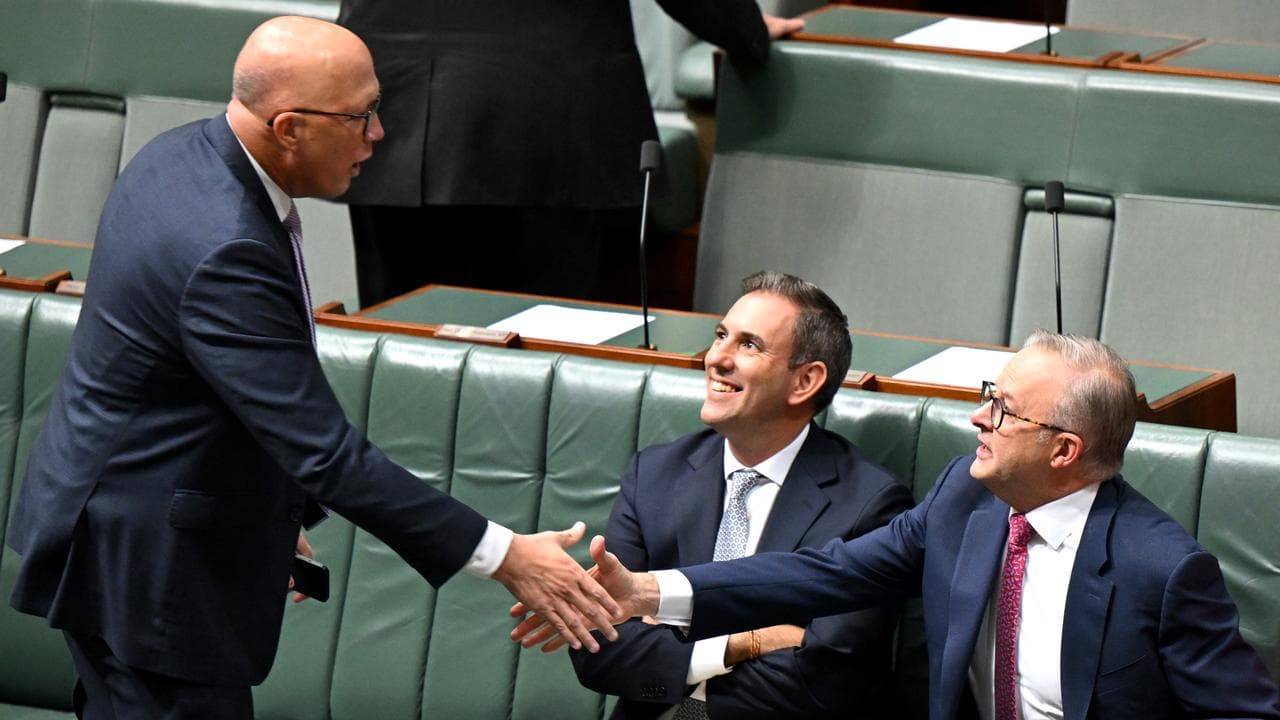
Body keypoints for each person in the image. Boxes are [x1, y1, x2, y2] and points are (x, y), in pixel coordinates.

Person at [6, 16, 618, 717]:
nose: (379, 135)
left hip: (115, 534)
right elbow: (327, 453)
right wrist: (506, 555)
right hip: (153, 578)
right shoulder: (224, 247)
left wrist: (270, 506)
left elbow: (198, 387)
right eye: (360, 117)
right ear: (290, 127)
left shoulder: (176, 156)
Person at [516, 331, 1280, 719]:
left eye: (1004, 409)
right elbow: (829, 571)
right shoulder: (966, 500)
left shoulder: (1163, 570)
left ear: (1065, 450)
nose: (978, 416)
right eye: (990, 392)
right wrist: (649, 593)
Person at [569, 271, 913, 718]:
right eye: (720, 336)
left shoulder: (868, 506)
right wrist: (747, 642)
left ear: (804, 381)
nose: (716, 358)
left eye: (748, 345)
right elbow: (597, 649)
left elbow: (822, 682)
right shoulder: (654, 474)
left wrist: (670, 649)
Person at [336, 0, 806, 306]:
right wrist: (747, 33)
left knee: (401, 344)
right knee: (537, 347)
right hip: (544, 106)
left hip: (399, 102)